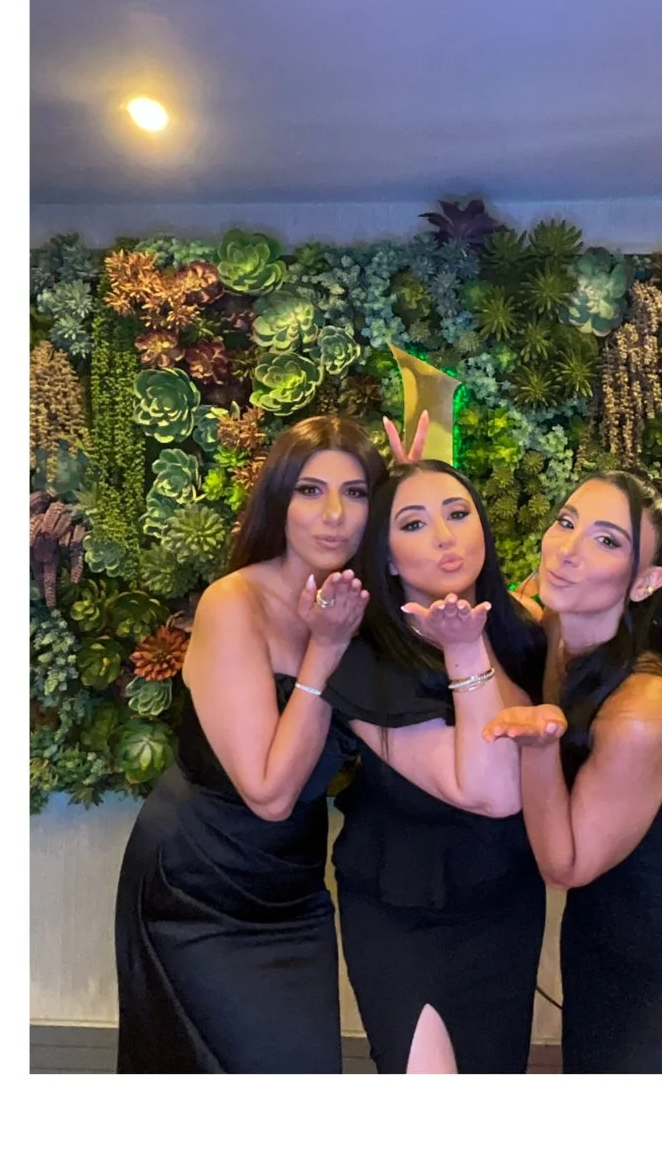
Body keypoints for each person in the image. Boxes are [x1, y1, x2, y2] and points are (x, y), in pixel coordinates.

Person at [112, 417, 379, 1072]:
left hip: (291, 887)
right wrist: (324, 652)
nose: (334, 514)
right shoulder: (234, 602)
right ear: (278, 499)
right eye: (311, 491)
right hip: (197, 888)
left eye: (358, 493)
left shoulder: (361, 602)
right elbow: (266, 791)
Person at [482, 471, 662, 1072]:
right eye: (566, 522)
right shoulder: (557, 614)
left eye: (606, 541)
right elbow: (476, 591)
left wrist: (537, 744)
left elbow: (567, 864)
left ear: (646, 582)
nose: (568, 549)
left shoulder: (644, 707)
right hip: (600, 939)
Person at [323, 459, 547, 1073]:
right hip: (403, 909)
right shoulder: (363, 659)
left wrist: (477, 640)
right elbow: (489, 789)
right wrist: (464, 651)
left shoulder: (523, 634)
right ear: (387, 558)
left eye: (457, 513)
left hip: (503, 900)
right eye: (414, 523)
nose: (445, 536)